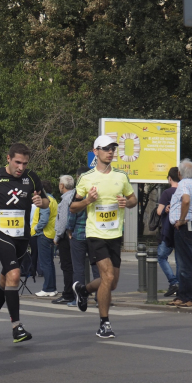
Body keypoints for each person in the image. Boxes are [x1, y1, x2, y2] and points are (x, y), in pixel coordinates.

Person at [0, 142, 49, 343]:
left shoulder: (32, 178)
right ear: (8, 159)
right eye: (17, 162)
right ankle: (16, 326)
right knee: (14, 273)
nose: (21, 168)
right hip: (0, 232)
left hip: (21, 235)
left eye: (25, 164)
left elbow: (45, 201)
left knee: (6, 279)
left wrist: (40, 202)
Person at [71, 135, 137, 339]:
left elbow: (133, 198)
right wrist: (88, 200)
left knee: (112, 282)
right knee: (107, 277)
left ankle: (83, 290)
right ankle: (104, 323)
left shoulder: (121, 176)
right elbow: (73, 207)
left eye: (113, 148)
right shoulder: (86, 178)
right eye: (106, 148)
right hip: (95, 234)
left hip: (115, 234)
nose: (110, 152)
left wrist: (128, 204)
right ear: (96, 151)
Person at [168, 159, 192, 307]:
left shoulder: (183, 184)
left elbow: (186, 201)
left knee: (186, 264)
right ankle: (182, 296)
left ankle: (191, 297)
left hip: (184, 227)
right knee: (184, 263)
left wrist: (181, 219)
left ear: (180, 173)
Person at [67, 168, 100, 307]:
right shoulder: (98, 191)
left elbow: (72, 213)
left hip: (79, 234)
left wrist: (69, 230)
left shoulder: (78, 194)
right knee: (97, 267)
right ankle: (100, 297)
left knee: (78, 268)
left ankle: (78, 298)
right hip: (95, 234)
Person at [52, 175, 76, 305]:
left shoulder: (66, 199)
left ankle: (68, 294)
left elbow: (63, 221)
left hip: (66, 236)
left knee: (67, 266)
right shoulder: (75, 196)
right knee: (74, 266)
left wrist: (57, 237)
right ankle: (74, 292)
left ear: (62, 185)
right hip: (75, 235)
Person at [157, 167, 180, 297]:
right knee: (179, 259)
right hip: (181, 228)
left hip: (168, 230)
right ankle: (180, 284)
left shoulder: (167, 192)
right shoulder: (184, 191)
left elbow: (159, 211)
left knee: (161, 256)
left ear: (169, 178)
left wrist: (165, 208)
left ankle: (173, 281)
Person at [33, 180, 58, 297]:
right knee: (49, 263)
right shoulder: (53, 199)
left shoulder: (45, 201)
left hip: (44, 233)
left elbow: (43, 219)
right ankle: (52, 287)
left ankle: (48, 288)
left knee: (44, 263)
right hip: (51, 233)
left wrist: (36, 229)